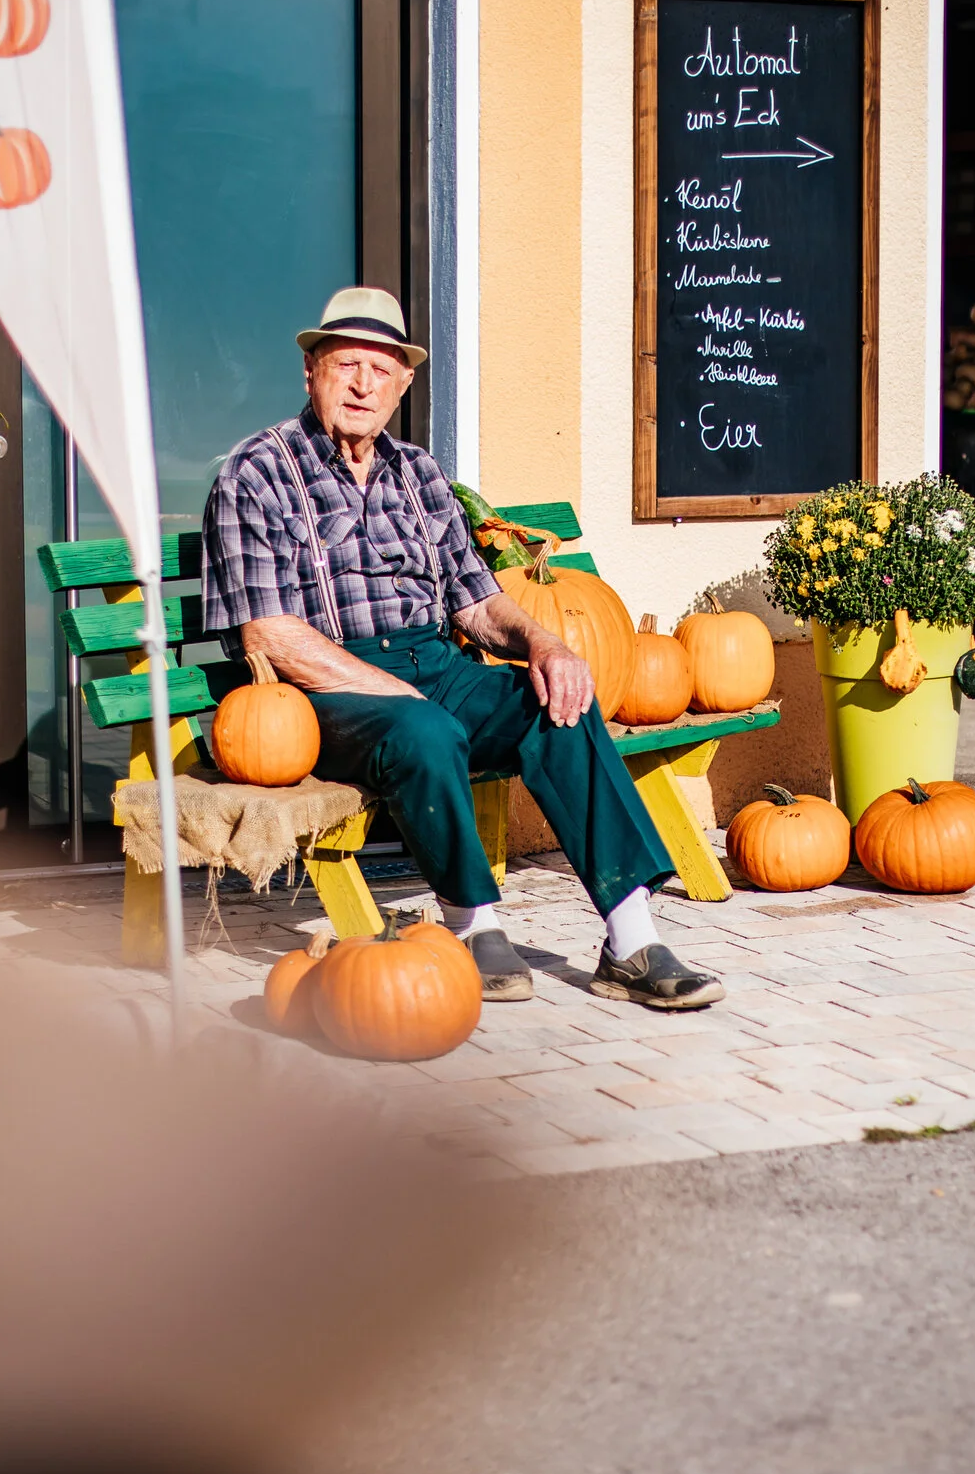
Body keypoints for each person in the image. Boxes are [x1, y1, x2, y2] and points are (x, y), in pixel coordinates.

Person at [201, 288, 723, 1012]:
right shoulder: (257, 471)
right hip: (323, 686)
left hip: (435, 664)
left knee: (558, 705)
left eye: (381, 370)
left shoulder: (419, 473)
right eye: (346, 364)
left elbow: (475, 602)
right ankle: (473, 925)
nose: (362, 384)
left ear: (403, 384)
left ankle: (631, 940)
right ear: (311, 372)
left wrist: (544, 644)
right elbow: (269, 634)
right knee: (423, 727)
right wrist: (393, 691)